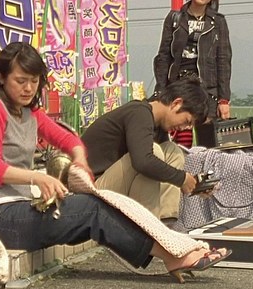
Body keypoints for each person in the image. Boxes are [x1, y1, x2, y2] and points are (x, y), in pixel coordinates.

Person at [0, 42, 229, 282]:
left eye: (34, 81)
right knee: (93, 208)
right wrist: (38, 177)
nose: (28, 88)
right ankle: (173, 254)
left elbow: (68, 139)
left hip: (21, 208)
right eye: (20, 81)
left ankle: (173, 246)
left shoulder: (30, 113)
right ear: (1, 77)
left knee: (101, 205)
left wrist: (79, 158)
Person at [80, 78, 209, 220]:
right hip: (91, 191)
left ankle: (166, 221)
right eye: (187, 121)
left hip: (113, 186)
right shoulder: (139, 113)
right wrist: (182, 178)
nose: (184, 128)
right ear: (176, 103)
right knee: (154, 153)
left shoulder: (158, 127)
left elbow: (162, 169)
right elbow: (143, 161)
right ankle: (147, 226)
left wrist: (193, 185)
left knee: (173, 151)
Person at [153, 0, 232, 147]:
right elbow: (163, 57)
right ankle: (181, 166)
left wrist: (224, 99)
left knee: (209, 145)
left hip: (207, 89)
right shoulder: (174, 18)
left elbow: (223, 62)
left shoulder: (218, 22)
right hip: (179, 87)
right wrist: (160, 90)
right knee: (181, 140)